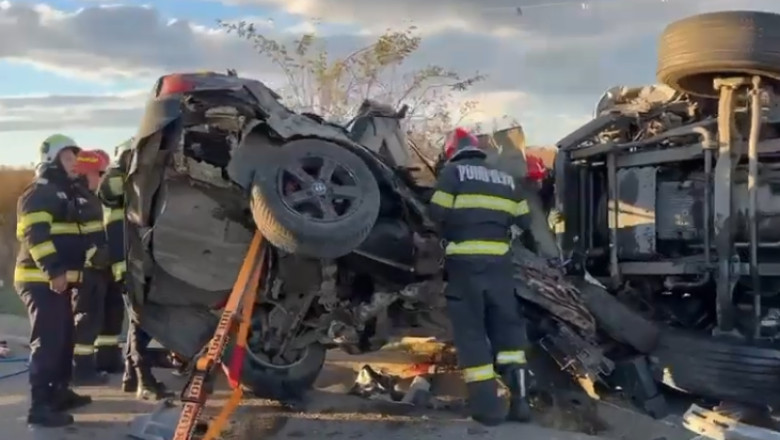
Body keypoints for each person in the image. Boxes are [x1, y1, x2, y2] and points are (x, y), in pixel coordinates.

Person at [428, 127, 532, 426]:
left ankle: (487, 408)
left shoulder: (452, 174)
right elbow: (524, 221)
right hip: (500, 266)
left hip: (465, 266)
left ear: (451, 152)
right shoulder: (507, 180)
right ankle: (521, 403)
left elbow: (436, 213)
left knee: (472, 333)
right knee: (509, 333)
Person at [14, 134, 92, 427]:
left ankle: (59, 392)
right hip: (40, 280)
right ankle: (39, 405)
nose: (75, 164)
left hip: (55, 282)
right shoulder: (39, 193)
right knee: (48, 341)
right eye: (69, 158)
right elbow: (36, 237)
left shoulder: (63, 192)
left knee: (63, 339)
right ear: (52, 159)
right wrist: (54, 271)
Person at [98, 140, 170, 400]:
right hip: (128, 263)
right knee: (141, 320)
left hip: (133, 261)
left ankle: (131, 374)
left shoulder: (127, 189)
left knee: (137, 321)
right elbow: (111, 192)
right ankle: (144, 380)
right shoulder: (115, 186)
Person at [71, 149, 125, 384]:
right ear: (86, 173)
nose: (103, 178)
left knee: (111, 315)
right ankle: (80, 369)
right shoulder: (76, 198)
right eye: (100, 173)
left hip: (105, 267)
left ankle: (108, 359)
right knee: (87, 318)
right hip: (87, 269)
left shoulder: (100, 198)